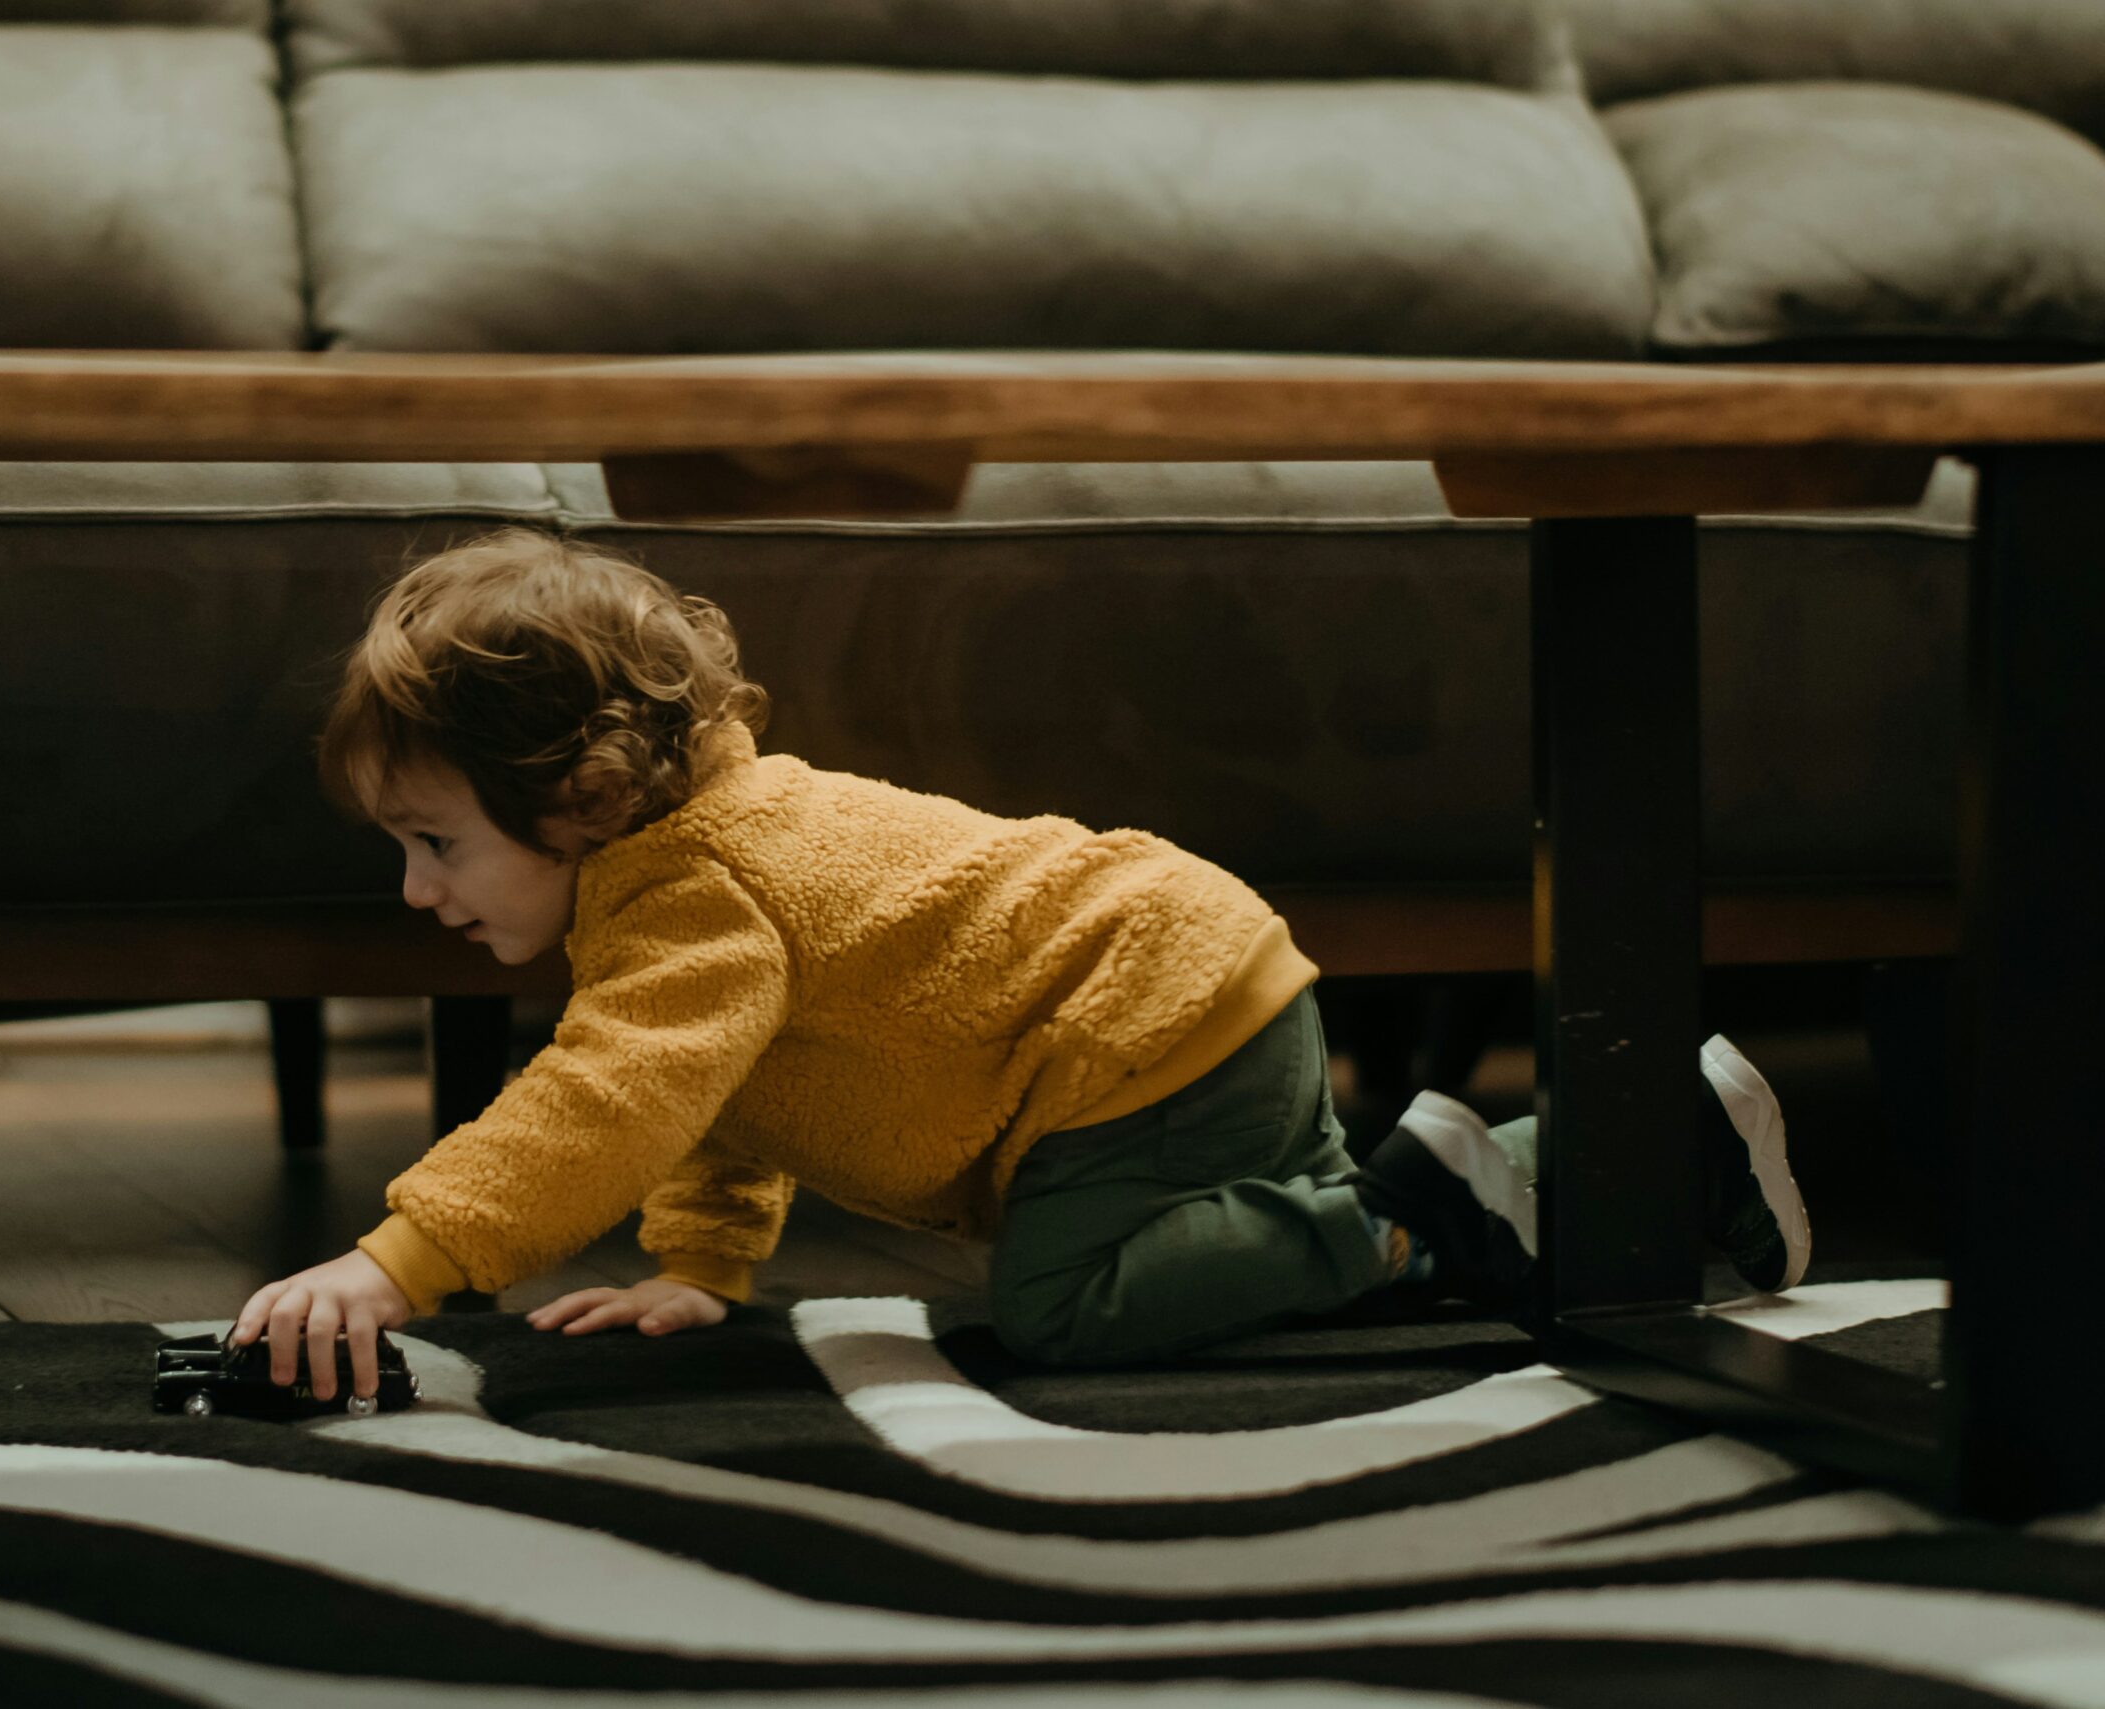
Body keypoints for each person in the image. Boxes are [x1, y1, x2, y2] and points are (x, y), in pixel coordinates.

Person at [228, 528, 1810, 1400]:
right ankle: (1633, 1144)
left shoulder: (692, 893)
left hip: (1142, 1030)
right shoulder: (676, 877)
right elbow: (717, 1087)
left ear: (578, 794)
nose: (415, 888)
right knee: (1234, 1260)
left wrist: (401, 1261)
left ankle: (1412, 1214)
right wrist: (703, 1264)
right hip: (1188, 987)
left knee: (1066, 1308)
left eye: (435, 840)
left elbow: (608, 1098)